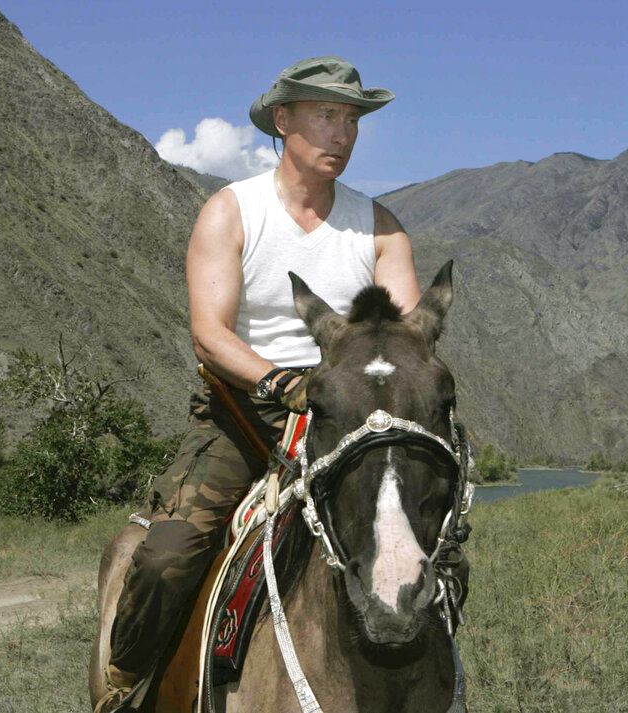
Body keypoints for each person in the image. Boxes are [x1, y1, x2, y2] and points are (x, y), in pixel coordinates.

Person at [96, 56, 421, 713]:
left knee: (426, 552)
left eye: (352, 119)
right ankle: (124, 682)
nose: (343, 133)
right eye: (326, 115)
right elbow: (209, 333)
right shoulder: (232, 211)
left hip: (347, 428)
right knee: (166, 558)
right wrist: (281, 382)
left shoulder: (380, 228)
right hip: (240, 421)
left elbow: (406, 340)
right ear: (283, 120)